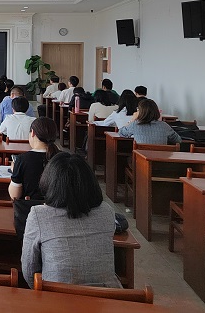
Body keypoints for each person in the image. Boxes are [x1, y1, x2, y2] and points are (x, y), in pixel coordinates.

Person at [22, 152, 121, 288]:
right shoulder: (107, 211)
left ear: (50, 182)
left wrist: (41, 292)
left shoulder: (38, 215)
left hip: (57, 297)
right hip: (106, 296)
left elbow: (29, 270)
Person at [8, 117, 59, 200]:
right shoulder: (64, 158)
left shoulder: (22, 160)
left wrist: (15, 172)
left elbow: (15, 195)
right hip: (59, 207)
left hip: (31, 206)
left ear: (33, 133)